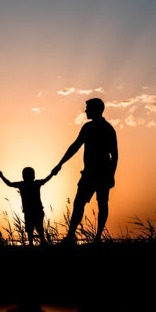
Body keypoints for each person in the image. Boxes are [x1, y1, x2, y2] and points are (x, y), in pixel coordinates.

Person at [51, 97, 118, 243]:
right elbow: (75, 146)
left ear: (96, 109)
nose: (85, 110)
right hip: (88, 173)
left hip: (102, 174)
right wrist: (60, 164)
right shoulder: (87, 128)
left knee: (102, 203)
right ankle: (70, 237)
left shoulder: (108, 129)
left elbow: (115, 155)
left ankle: (97, 237)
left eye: (88, 108)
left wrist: (111, 175)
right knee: (79, 203)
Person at [0, 166, 54, 245]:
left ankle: (33, 243)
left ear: (23, 176)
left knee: (32, 229)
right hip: (36, 211)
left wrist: (1, 176)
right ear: (34, 176)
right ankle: (41, 242)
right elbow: (47, 179)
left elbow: (9, 183)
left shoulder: (23, 184)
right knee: (38, 229)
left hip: (31, 211)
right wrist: (52, 173)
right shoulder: (35, 183)